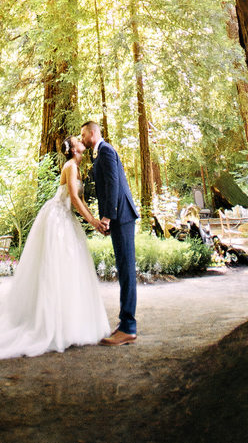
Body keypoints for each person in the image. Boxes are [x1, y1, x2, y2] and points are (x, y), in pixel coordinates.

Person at [0, 135, 110, 359]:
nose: (82, 141)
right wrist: (92, 221)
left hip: (66, 218)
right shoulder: (71, 166)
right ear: (74, 149)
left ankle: (68, 322)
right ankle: (50, 324)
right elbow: (73, 197)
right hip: (57, 219)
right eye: (77, 140)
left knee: (69, 268)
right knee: (56, 267)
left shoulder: (78, 167)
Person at [80, 120, 139, 345]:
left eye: (84, 134)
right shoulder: (100, 153)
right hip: (118, 218)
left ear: (93, 133)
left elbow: (113, 184)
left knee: (126, 269)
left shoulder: (105, 150)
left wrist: (108, 217)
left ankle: (128, 327)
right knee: (124, 268)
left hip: (122, 216)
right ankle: (125, 324)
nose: (82, 138)